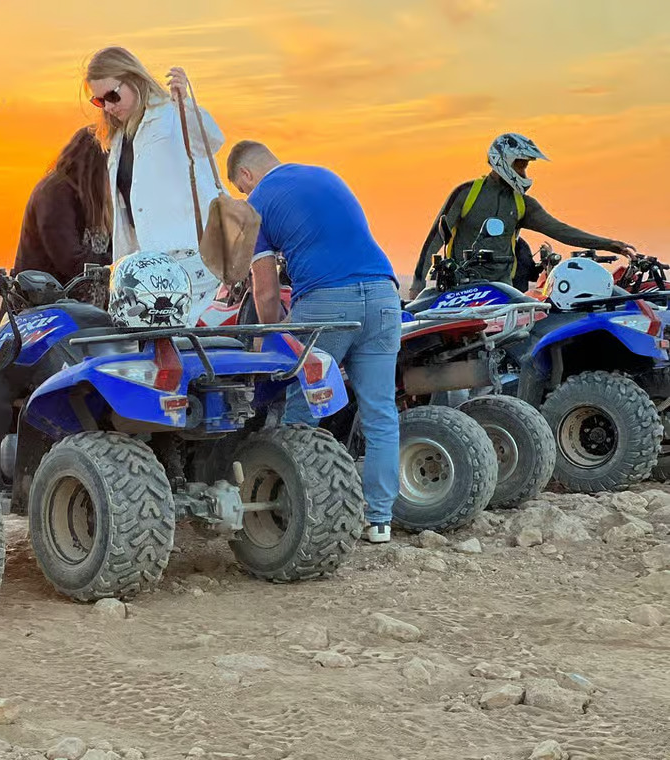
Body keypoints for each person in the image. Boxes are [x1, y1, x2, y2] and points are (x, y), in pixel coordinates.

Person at [227, 140, 401, 544]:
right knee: (380, 414)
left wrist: (272, 340)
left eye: (241, 187)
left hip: (328, 303)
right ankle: (379, 520)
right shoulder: (327, 175)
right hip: (384, 295)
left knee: (300, 411)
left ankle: (292, 514)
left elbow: (265, 291)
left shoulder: (257, 204)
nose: (244, 195)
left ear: (246, 175)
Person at [85, 46, 223, 324]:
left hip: (189, 257)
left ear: (134, 78)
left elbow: (212, 141)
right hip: (146, 268)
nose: (109, 107)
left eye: (113, 95)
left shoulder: (170, 114)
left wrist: (186, 104)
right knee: (151, 343)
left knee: (178, 338)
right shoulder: (119, 139)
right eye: (100, 101)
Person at [409, 133, 636, 298]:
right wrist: (417, 284)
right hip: (461, 287)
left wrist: (609, 244)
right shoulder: (466, 193)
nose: (523, 172)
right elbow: (435, 238)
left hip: (503, 289)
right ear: (502, 161)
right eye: (520, 165)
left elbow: (561, 230)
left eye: (525, 166)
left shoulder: (523, 204)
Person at [12, 125, 112, 286]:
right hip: (46, 297)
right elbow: (71, 260)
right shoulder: (55, 192)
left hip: (73, 297)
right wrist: (119, 264)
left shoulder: (90, 197)